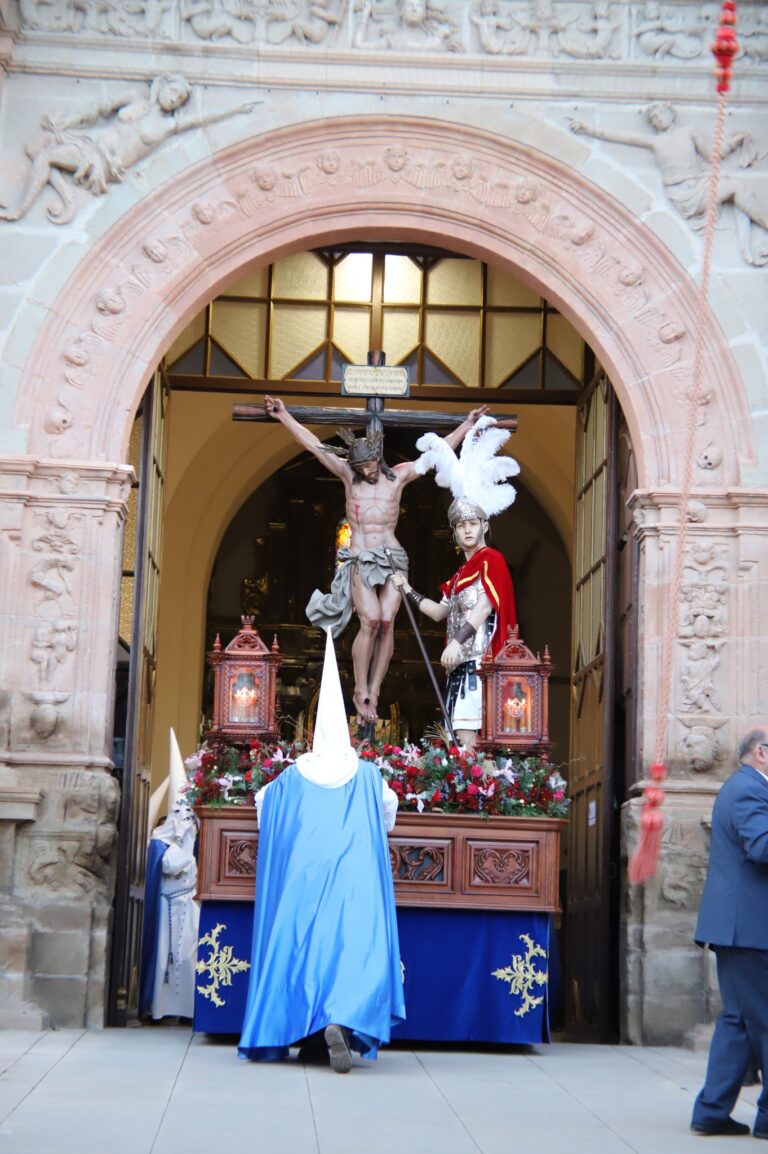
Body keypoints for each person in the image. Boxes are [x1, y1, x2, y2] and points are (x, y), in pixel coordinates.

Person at [238, 627, 404, 1073]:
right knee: (354, 951)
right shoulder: (367, 776)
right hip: (354, 881)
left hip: (304, 882)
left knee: (302, 951)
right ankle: (342, 1022)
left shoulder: (292, 777)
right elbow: (389, 813)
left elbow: (262, 808)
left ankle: (310, 1034)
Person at [264, 395, 487, 724]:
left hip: (392, 555)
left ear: (377, 458)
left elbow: (437, 454)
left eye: (369, 465)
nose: (366, 471)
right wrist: (284, 415)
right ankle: (360, 689)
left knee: (386, 622)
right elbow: (313, 445)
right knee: (369, 620)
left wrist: (467, 425)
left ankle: (375, 690)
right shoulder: (346, 475)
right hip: (359, 557)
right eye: (361, 467)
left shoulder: (397, 477)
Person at [390, 415, 518, 751]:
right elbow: (437, 613)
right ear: (455, 532)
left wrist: (457, 643)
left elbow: (486, 605)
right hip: (459, 663)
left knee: (470, 735)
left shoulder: (492, 561)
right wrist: (406, 589)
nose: (467, 530)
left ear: (484, 525)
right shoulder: (459, 575)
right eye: (460, 525)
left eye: (473, 523)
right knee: (460, 738)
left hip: (479, 661)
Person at [690, 726, 768, 1138]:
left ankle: (711, 1111)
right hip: (749, 928)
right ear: (761, 753)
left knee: (739, 1021)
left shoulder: (742, 788)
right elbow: (762, 847)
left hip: (742, 927)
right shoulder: (750, 790)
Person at [139, 729, 200, 1021]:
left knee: (189, 957)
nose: (186, 821)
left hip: (188, 906)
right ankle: (161, 1010)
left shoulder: (192, 838)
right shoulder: (159, 843)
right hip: (167, 908)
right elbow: (171, 865)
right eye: (181, 814)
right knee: (166, 958)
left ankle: (187, 1010)